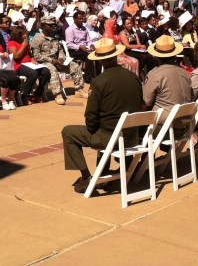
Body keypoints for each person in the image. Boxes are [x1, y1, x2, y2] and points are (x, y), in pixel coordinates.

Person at [60, 38, 143, 194]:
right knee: (105, 126)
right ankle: (103, 172)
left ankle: (86, 176)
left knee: (68, 132)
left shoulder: (99, 82)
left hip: (111, 137)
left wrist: (94, 128)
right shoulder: (133, 77)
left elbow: (91, 118)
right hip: (132, 136)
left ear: (100, 61)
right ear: (115, 56)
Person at [30, 15, 87, 105]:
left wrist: (61, 58)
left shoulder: (55, 37)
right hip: (44, 63)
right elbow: (36, 55)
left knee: (74, 66)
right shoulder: (37, 39)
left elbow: (60, 50)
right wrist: (51, 60)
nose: (52, 27)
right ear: (43, 25)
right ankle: (57, 94)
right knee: (52, 69)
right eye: (49, 25)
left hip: (57, 61)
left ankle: (79, 89)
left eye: (53, 25)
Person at [143, 35, 193, 125]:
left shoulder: (154, 74)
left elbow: (147, 101)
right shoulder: (184, 71)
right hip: (185, 123)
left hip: (164, 125)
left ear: (156, 56)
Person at [7, 25, 50, 104]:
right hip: (18, 65)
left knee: (46, 71)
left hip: (29, 64)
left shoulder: (25, 42)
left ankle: (38, 93)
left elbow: (29, 54)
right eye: (23, 34)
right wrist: (23, 46)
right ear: (17, 35)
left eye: (25, 34)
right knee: (33, 73)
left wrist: (32, 59)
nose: (25, 36)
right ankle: (25, 95)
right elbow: (16, 56)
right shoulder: (12, 43)